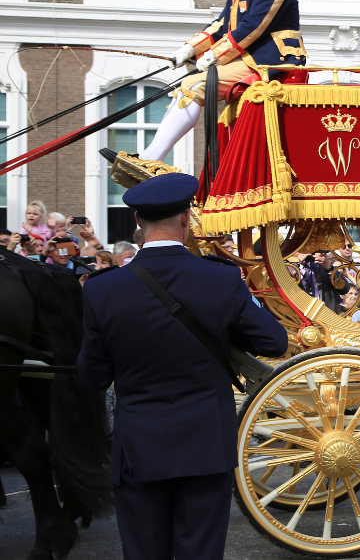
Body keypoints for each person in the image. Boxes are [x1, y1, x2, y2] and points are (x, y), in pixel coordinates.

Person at [77, 172, 288, 560]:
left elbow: (92, 376)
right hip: (205, 441)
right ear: (187, 220)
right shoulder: (221, 279)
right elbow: (274, 341)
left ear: (138, 222)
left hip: (139, 445)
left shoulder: (103, 289)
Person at [139, 0, 306, 162]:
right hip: (250, 58)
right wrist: (188, 50)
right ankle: (149, 156)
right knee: (188, 86)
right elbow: (221, 25)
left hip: (271, 59)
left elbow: (254, 26)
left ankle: (151, 159)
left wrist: (213, 55)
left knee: (194, 86)